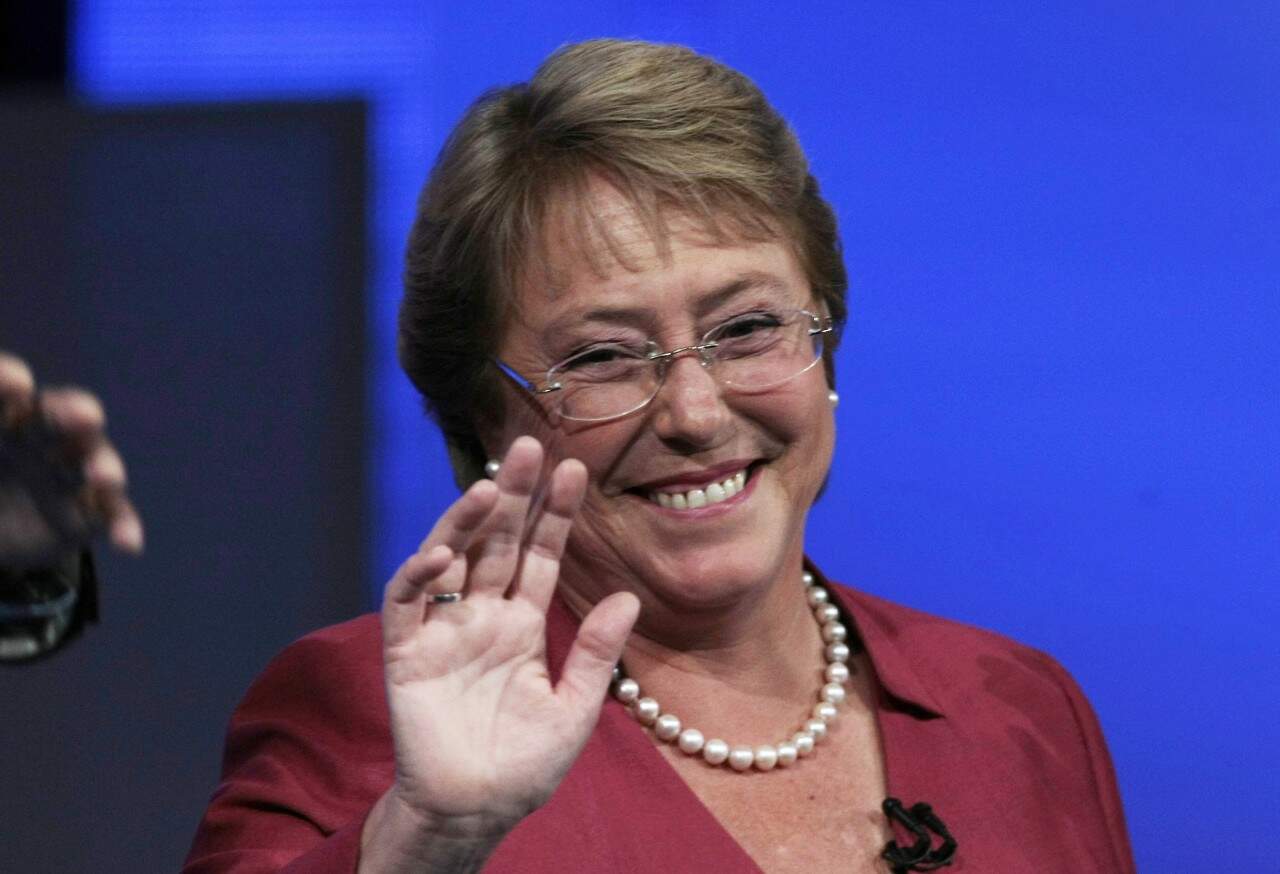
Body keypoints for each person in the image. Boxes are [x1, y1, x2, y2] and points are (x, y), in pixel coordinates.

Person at [1, 39, 1134, 872]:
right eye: (601, 357)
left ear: (825, 338)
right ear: (484, 422)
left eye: (747, 328)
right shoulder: (367, 717)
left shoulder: (1018, 707)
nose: (695, 411)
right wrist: (426, 838)